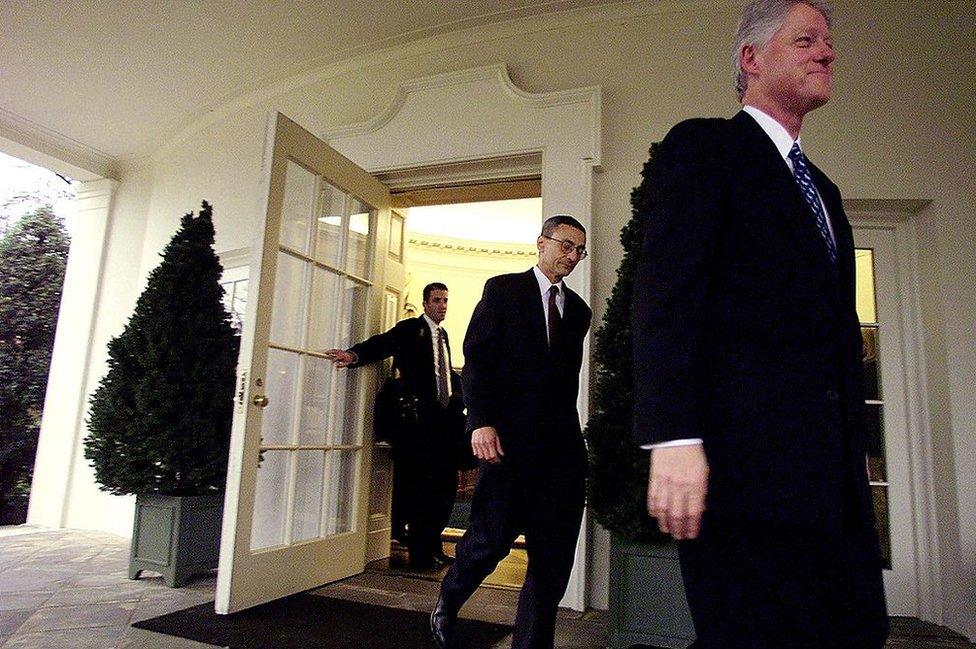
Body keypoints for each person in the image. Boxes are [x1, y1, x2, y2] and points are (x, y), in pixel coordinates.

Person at [632, 1, 888, 647]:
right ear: (751, 58)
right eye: (805, 39)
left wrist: (853, 451)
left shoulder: (823, 191)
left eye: (829, 41)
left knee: (854, 631)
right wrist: (672, 436)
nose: (827, 52)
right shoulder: (705, 147)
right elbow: (666, 296)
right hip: (742, 475)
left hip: (831, 484)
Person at [430, 215, 592, 649]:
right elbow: (477, 361)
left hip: (561, 452)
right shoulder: (503, 290)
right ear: (541, 243)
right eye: (565, 245)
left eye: (579, 250)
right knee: (489, 543)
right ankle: (447, 601)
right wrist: (479, 420)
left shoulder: (578, 311)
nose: (572, 256)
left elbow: (564, 383)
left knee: (552, 558)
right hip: (508, 446)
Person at [326, 282, 462, 569]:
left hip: (442, 425)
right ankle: (420, 554)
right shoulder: (410, 329)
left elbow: (443, 374)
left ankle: (434, 547)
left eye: (446, 300)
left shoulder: (444, 335)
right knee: (420, 489)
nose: (443, 305)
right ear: (425, 304)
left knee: (442, 488)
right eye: (437, 300)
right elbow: (382, 343)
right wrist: (353, 355)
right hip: (417, 425)